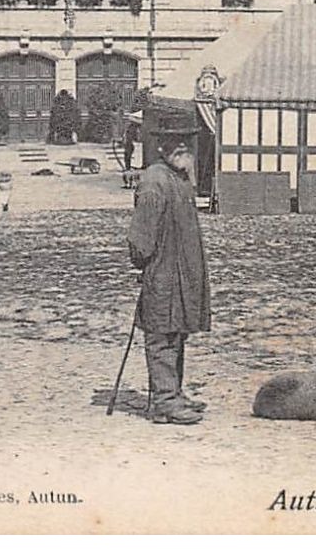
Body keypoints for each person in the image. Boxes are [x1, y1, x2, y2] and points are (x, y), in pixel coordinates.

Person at [128, 114, 210, 426]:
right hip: (162, 274)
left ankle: (172, 393)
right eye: (174, 141)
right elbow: (140, 239)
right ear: (161, 146)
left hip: (184, 273)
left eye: (186, 140)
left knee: (177, 334)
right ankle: (163, 401)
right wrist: (145, 265)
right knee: (161, 336)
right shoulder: (155, 182)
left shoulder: (181, 179)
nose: (181, 146)